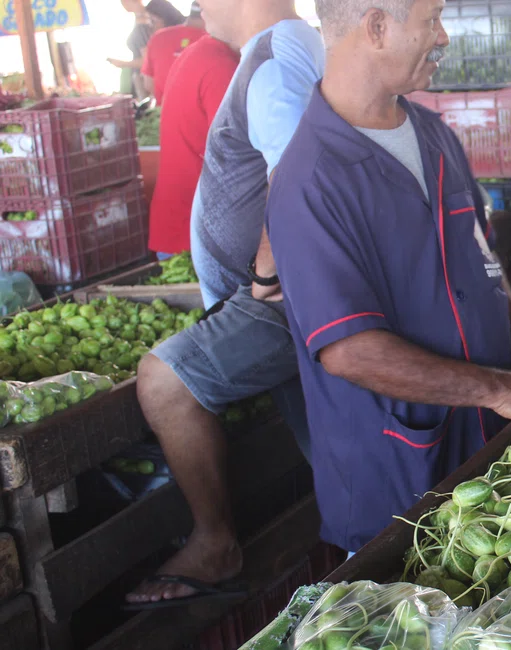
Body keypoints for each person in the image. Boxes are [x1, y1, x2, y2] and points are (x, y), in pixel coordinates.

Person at [265, 0, 511, 553]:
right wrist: (495, 388)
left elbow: (479, 249)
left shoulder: (431, 133)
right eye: (431, 19)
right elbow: (349, 351)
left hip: (485, 451)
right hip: (398, 475)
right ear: (376, 26)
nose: (444, 35)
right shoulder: (310, 183)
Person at [125, 0, 324, 608]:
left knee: (163, 381)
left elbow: (296, 172)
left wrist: (265, 271)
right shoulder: (292, 48)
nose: (198, 5)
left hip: (280, 297)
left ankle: (215, 544)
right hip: (293, 292)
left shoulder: (271, 64)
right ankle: (369, 551)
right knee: (326, 447)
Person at [147, 28, 239, 258]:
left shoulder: (198, 53)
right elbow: (236, 157)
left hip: (180, 226)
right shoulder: (221, 66)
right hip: (196, 238)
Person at [110, 0, 186, 100]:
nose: (152, 25)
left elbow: (147, 61)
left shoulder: (143, 29)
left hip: (160, 83)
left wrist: (123, 63)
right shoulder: (146, 26)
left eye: (153, 21)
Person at [141, 2, 209, 105]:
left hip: (164, 115)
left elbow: (148, 84)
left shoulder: (158, 37)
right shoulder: (215, 42)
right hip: (203, 117)